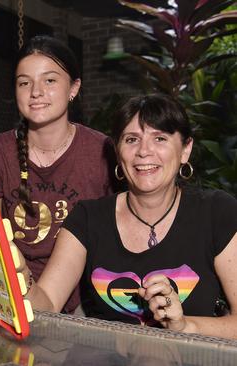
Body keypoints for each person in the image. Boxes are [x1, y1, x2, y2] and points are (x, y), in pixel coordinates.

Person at [24, 93, 237, 338]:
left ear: (185, 149)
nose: (144, 152)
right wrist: (18, 274)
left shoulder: (217, 213)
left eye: (160, 138)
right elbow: (46, 305)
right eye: (132, 139)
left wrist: (185, 326)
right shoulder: (87, 218)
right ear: (117, 150)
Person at [0, 35, 115, 314]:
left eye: (50, 80)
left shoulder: (101, 150)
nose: (35, 91)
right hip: (13, 290)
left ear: (74, 88)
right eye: (24, 82)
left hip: (84, 296)